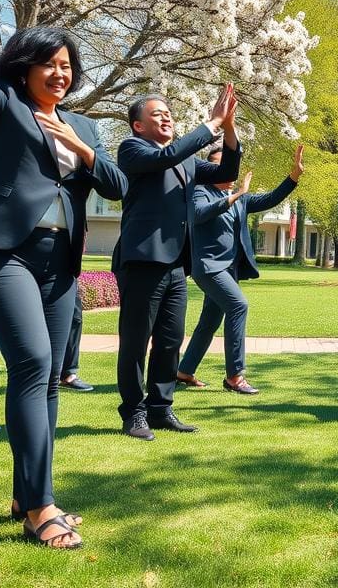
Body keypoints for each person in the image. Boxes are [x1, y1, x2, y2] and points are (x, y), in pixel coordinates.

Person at [0, 0, 128, 548]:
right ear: (24, 69)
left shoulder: (85, 126)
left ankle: (27, 492)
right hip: (2, 255)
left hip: (58, 264)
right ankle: (42, 507)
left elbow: (118, 186)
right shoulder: (5, 105)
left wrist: (81, 145)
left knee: (45, 380)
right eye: (48, 64)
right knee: (33, 364)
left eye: (67, 65)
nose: (59, 73)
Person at [113, 89, 240, 440]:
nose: (166, 116)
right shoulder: (132, 149)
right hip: (142, 261)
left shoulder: (186, 161)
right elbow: (166, 157)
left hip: (176, 264)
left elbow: (226, 170)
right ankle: (133, 412)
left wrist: (228, 128)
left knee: (170, 340)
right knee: (136, 342)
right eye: (157, 114)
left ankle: (160, 408)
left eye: (168, 112)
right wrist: (212, 123)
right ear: (138, 125)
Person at [177, 145, 304, 393]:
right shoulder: (201, 191)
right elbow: (199, 214)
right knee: (238, 305)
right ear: (208, 169)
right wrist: (235, 195)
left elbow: (270, 199)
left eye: (228, 164)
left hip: (228, 270)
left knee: (209, 321)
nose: (226, 169)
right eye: (218, 165)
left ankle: (184, 371)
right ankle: (234, 376)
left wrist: (294, 176)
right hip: (208, 267)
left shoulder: (240, 199)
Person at [0, 292, 92, 391]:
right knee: (10, 314)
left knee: (74, 317)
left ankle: (68, 374)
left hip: (63, 275)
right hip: (30, 273)